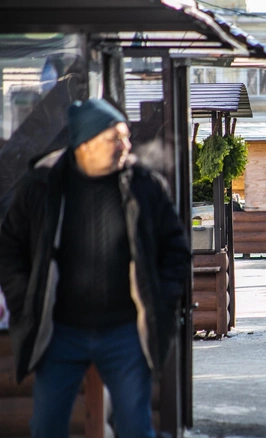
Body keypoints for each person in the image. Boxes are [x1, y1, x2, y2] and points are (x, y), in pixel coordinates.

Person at [0, 98, 190, 437]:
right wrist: (22, 301)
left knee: (135, 427)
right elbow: (9, 247)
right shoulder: (42, 185)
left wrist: (163, 299)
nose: (125, 145)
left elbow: (175, 249)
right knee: (46, 426)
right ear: (85, 144)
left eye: (125, 136)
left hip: (125, 331)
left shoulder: (143, 185)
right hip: (59, 331)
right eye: (114, 137)